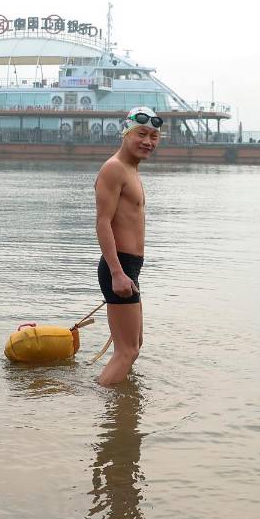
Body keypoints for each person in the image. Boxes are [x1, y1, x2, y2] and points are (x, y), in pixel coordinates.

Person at [93, 106, 162, 386]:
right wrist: (117, 273)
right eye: (142, 134)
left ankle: (124, 406)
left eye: (154, 136)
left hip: (129, 267)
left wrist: (127, 272)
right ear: (126, 133)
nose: (148, 142)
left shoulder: (131, 169)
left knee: (135, 345)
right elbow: (102, 223)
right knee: (127, 351)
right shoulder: (114, 169)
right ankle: (107, 414)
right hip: (118, 266)